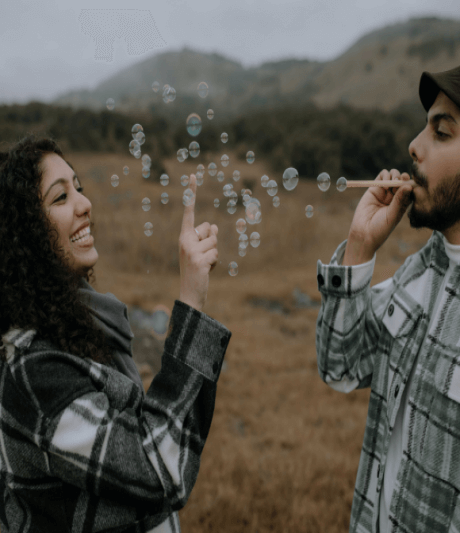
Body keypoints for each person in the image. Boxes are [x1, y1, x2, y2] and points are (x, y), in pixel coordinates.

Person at [0, 134, 231, 533]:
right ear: (24, 234)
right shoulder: (31, 373)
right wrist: (191, 302)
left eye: (79, 188)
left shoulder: (74, 324)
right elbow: (159, 468)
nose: (84, 204)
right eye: (61, 197)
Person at [316, 64, 460, 533]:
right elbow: (340, 367)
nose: (414, 145)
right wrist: (360, 247)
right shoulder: (423, 268)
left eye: (441, 132)